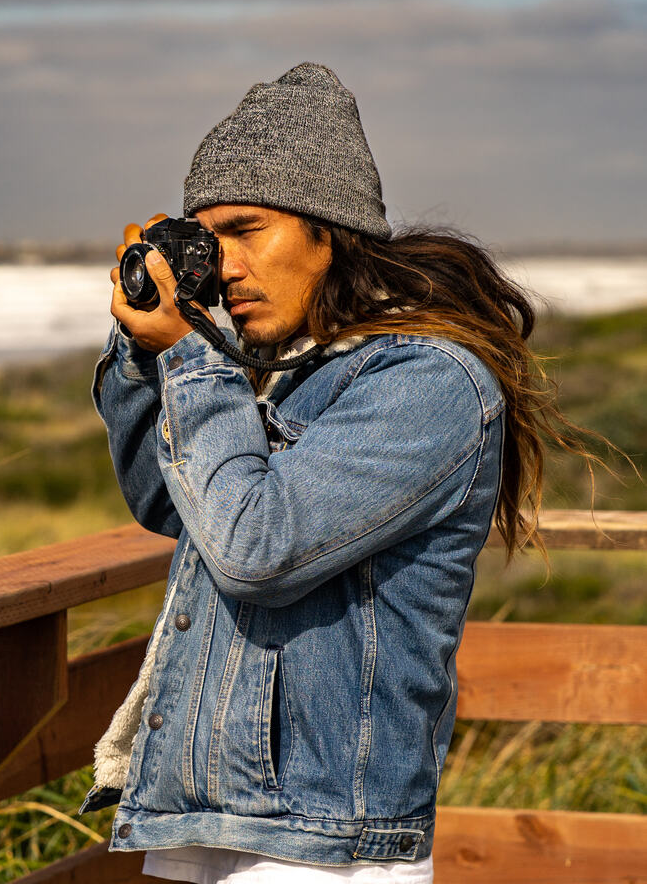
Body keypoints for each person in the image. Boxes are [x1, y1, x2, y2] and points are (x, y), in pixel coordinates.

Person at [85, 63, 568, 882]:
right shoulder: (272, 368)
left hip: (325, 845)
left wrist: (192, 362)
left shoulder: (428, 382)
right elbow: (172, 506)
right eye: (205, 241)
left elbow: (256, 548)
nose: (222, 267)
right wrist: (144, 355)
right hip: (204, 816)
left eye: (247, 230)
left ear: (330, 230)